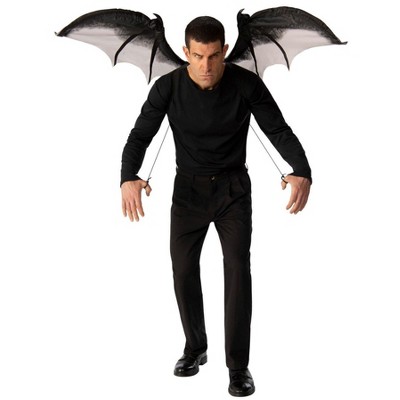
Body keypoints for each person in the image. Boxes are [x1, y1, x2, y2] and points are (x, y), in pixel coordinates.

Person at [120, 16, 311, 397]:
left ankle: (238, 367)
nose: (205, 66)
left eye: (213, 56)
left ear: (224, 51)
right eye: (197, 56)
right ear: (185, 52)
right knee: (183, 270)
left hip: (232, 190)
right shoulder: (167, 87)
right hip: (187, 192)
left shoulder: (246, 84)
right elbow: (140, 135)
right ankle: (195, 347)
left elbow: (278, 129)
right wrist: (128, 177)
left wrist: (301, 169)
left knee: (237, 270)